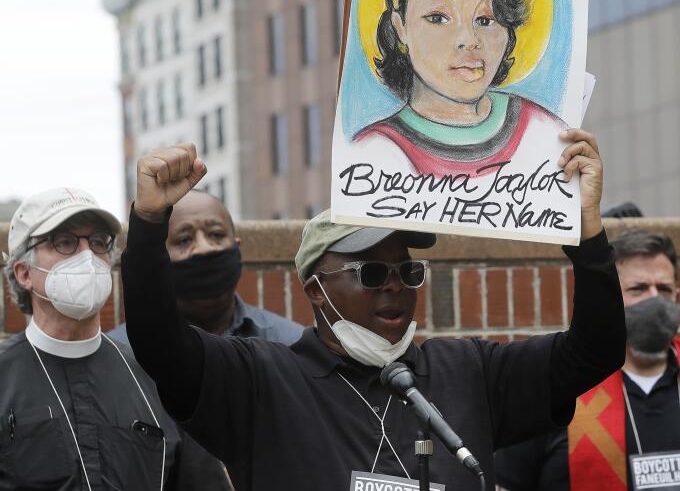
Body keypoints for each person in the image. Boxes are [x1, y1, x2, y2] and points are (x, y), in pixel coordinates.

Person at [120, 130, 623, 490]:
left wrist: (586, 235)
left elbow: (594, 353)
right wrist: (148, 224)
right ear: (316, 289)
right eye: (371, 273)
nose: (395, 288)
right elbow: (160, 343)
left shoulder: (468, 371)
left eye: (407, 272)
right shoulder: (261, 379)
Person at [494, 230, 680, 491]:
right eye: (638, 289)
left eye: (664, 288)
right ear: (610, 300)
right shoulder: (559, 389)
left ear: (678, 298)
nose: (654, 299)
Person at [0, 188, 216, 490]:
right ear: (24, 273)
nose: (88, 257)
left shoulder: (157, 377)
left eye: (99, 242)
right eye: (65, 242)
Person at [353, 0, 569, 177]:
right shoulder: (374, 156)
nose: (469, 40)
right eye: (438, 18)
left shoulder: (544, 133)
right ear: (400, 27)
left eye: (486, 19)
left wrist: (586, 210)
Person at [109, 189, 303, 344]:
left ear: (237, 246)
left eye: (216, 235)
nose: (204, 248)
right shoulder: (122, 354)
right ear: (159, 259)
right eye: (184, 240)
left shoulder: (291, 344)